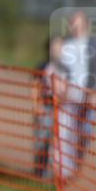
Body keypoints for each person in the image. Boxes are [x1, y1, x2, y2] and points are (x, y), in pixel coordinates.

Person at [58, 10, 96, 168]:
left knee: (85, 130)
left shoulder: (92, 44)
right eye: (73, 23)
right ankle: (66, 166)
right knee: (66, 130)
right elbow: (61, 69)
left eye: (78, 22)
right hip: (69, 94)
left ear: (85, 25)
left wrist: (94, 92)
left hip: (86, 94)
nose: (75, 26)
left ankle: (78, 160)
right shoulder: (66, 45)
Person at [32, 36, 67, 178]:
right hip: (45, 107)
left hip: (61, 110)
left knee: (56, 145)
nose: (57, 49)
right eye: (54, 46)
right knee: (41, 142)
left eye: (60, 46)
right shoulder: (42, 66)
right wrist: (36, 106)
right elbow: (35, 86)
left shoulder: (66, 69)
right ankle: (40, 173)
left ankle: (53, 175)